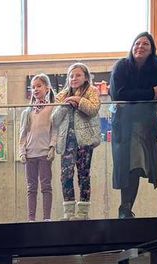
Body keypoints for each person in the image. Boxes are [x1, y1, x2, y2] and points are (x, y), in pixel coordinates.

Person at [110, 32, 157, 218]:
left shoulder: (156, 68)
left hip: (144, 126)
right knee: (128, 165)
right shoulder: (121, 67)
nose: (140, 47)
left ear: (152, 50)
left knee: (138, 165)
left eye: (145, 44)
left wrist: (142, 94)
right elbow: (119, 95)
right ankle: (125, 208)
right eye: (137, 43)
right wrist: (149, 93)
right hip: (124, 128)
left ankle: (126, 207)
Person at [52, 62, 102, 220]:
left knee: (83, 175)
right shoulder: (62, 95)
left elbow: (93, 109)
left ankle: (82, 213)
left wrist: (77, 100)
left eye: (78, 75)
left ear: (86, 77)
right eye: (71, 75)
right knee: (66, 175)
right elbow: (54, 119)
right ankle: (68, 212)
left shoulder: (92, 91)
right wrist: (66, 105)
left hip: (84, 141)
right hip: (67, 141)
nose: (74, 78)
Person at [18, 74, 56, 222]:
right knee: (31, 188)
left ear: (47, 88)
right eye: (33, 87)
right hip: (30, 154)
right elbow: (23, 133)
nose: (35, 89)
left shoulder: (52, 108)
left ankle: (47, 218)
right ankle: (31, 218)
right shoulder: (27, 112)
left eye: (39, 86)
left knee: (46, 186)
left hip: (44, 154)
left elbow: (55, 129)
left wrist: (52, 146)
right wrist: (22, 151)